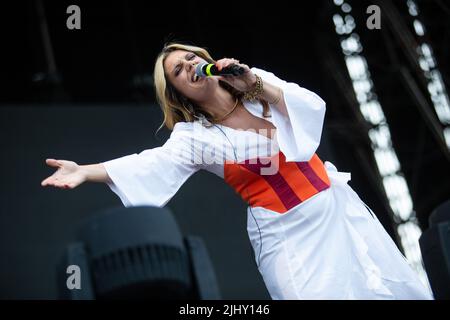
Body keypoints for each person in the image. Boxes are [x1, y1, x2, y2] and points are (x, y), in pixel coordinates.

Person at [41, 42, 434, 300]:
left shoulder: (257, 85)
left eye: (192, 58)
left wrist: (254, 82)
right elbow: (148, 163)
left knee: (384, 287)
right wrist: (85, 171)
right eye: (179, 70)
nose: (191, 66)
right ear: (178, 93)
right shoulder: (195, 137)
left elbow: (310, 107)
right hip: (288, 236)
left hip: (336, 212)